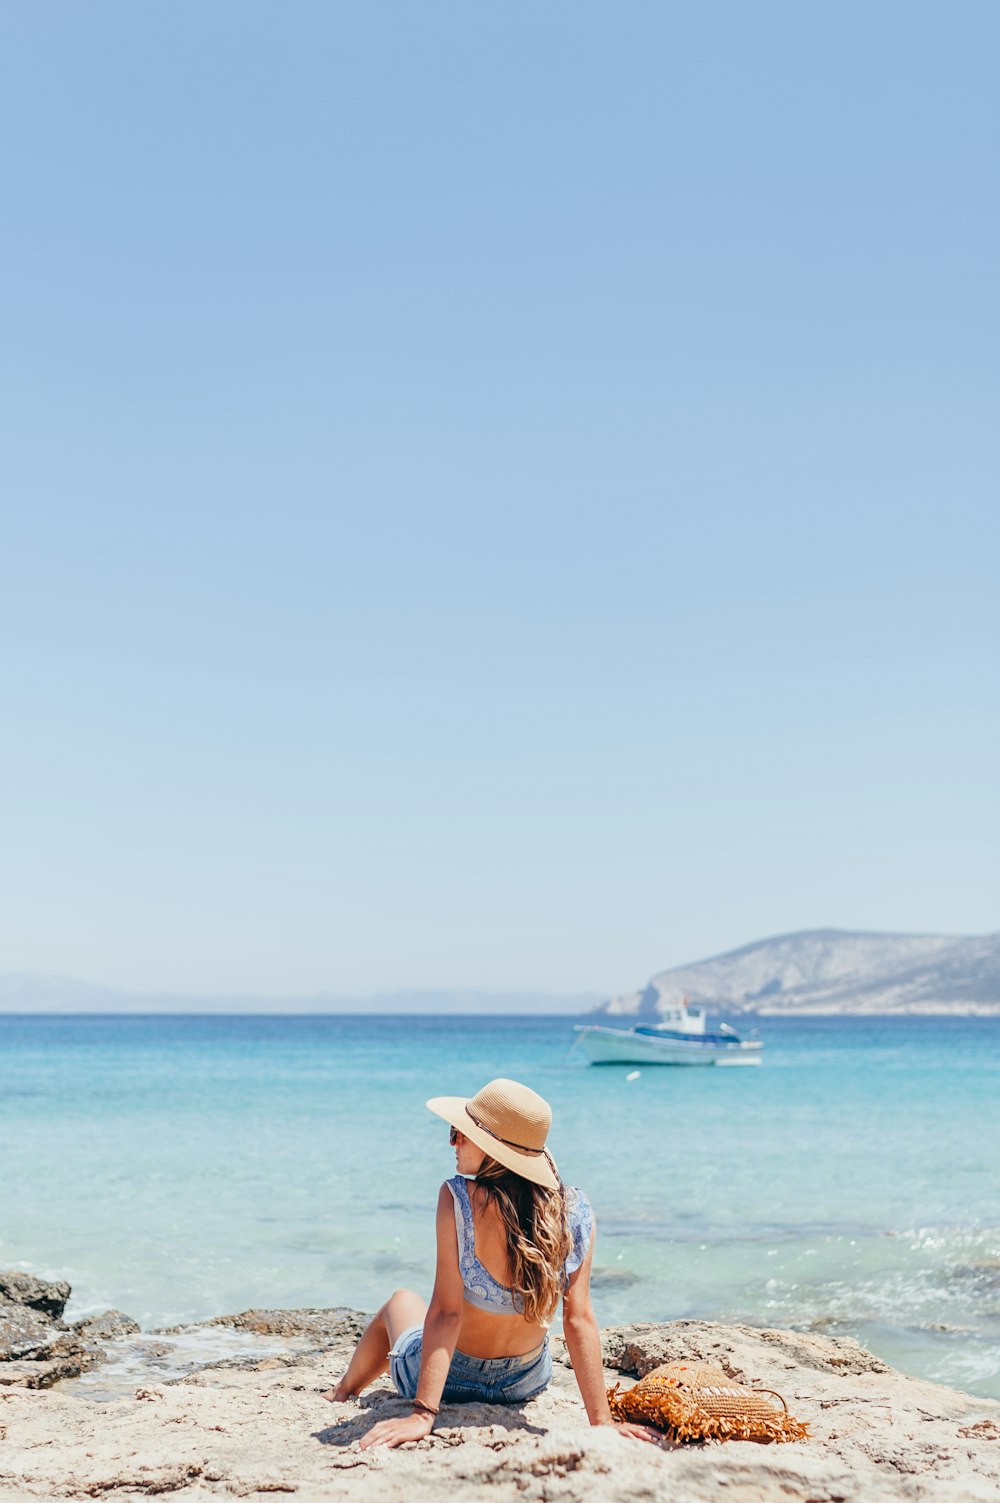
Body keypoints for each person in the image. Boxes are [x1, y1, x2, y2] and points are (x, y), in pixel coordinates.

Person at [322, 1077, 659, 1449]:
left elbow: (446, 1315)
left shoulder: (457, 1199)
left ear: (491, 1148)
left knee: (401, 1301)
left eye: (460, 1132)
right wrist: (603, 1422)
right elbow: (578, 1318)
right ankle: (344, 1388)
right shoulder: (573, 1210)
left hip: (452, 1379)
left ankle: (342, 1390)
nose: (452, 1142)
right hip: (525, 1381)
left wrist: (422, 1413)